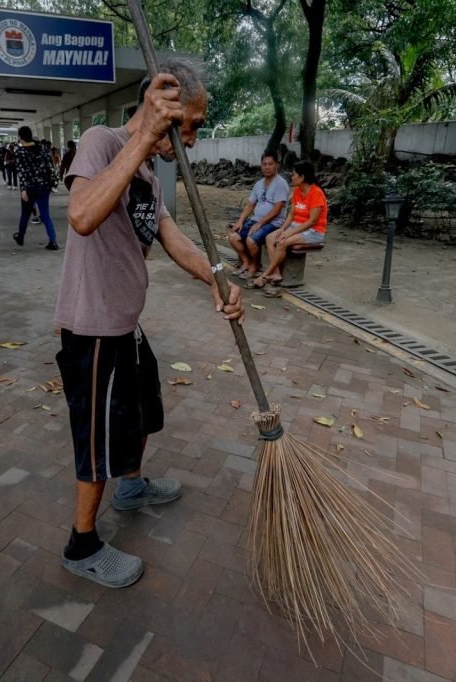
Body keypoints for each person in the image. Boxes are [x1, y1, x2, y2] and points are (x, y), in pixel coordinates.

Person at [55, 59, 244, 588]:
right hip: (92, 328)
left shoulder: (148, 177)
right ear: (158, 104)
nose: (193, 139)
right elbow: (82, 215)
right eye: (191, 124)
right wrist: (144, 137)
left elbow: (169, 234)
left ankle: (132, 487)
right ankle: (82, 543)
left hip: (126, 323)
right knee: (95, 437)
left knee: (140, 411)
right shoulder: (104, 142)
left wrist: (215, 276)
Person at [251, 160, 327, 289]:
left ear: (302, 177)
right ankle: (276, 273)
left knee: (282, 242)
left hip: (313, 231)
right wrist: (283, 229)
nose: (291, 177)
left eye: (293, 175)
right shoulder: (297, 191)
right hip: (296, 227)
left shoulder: (316, 193)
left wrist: (289, 234)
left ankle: (265, 275)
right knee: (270, 238)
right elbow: (291, 214)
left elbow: (312, 221)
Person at [227, 151, 289, 280]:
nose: (267, 167)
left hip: (273, 223)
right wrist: (240, 221)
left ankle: (255, 266)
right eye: (264, 164)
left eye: (270, 164)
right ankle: (246, 262)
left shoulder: (281, 184)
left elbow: (277, 209)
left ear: (276, 165)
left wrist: (260, 224)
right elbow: (250, 205)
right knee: (233, 236)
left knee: (251, 239)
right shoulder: (258, 184)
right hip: (255, 220)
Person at [13, 126, 59, 250]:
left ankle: (20, 237)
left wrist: (23, 189)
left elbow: (21, 172)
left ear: (20, 136)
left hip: (30, 188)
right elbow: (50, 165)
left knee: (25, 214)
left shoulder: (20, 152)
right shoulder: (43, 148)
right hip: (44, 186)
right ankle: (53, 241)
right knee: (45, 214)